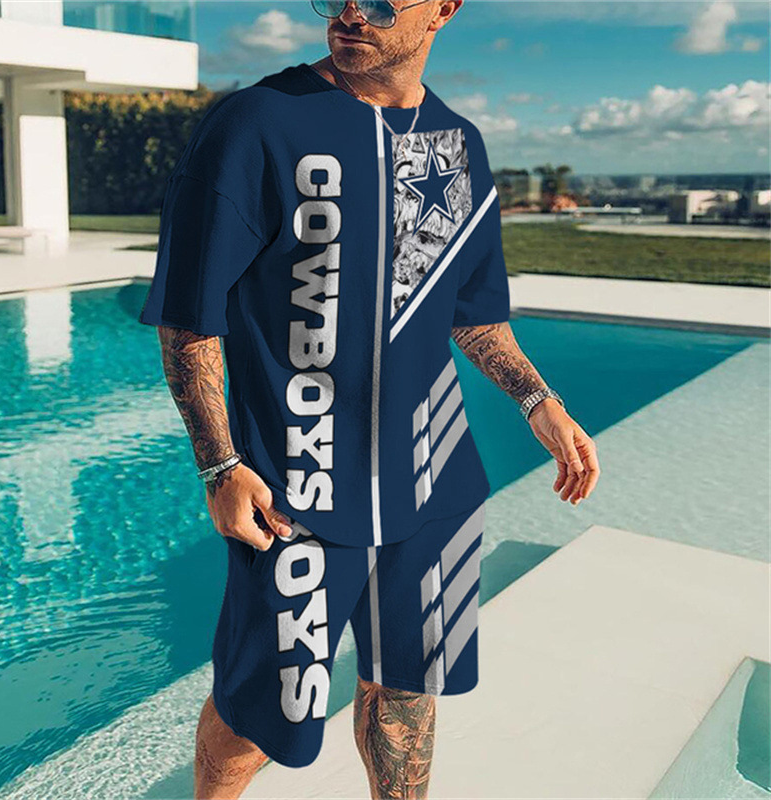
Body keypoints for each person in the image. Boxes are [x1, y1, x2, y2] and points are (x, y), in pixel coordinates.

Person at [139, 1, 601, 797]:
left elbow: (472, 312)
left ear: (444, 9)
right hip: (301, 485)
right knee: (259, 719)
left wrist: (538, 400)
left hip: (433, 481)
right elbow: (190, 316)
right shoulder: (258, 123)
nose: (353, 11)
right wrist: (219, 465)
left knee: (406, 702)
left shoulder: (455, 145)